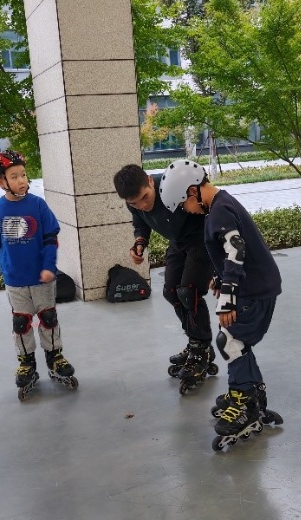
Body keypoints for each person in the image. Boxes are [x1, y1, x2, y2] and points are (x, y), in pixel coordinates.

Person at [159, 159, 284, 451]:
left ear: (192, 192)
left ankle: (244, 403)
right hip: (257, 285)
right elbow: (229, 251)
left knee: (230, 341)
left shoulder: (219, 211)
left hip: (255, 290)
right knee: (235, 342)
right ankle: (250, 393)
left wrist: (228, 297)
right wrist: (219, 277)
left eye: (183, 205)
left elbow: (236, 250)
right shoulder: (221, 205)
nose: (187, 211)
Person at [113, 164, 216, 393]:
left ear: (151, 181)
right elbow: (140, 221)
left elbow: (209, 204)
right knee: (171, 292)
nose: (142, 206)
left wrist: (221, 262)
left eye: (144, 198)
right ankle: (196, 342)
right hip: (178, 242)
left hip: (200, 240)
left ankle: (200, 350)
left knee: (189, 292)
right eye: (134, 203)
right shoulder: (134, 203)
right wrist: (140, 242)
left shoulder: (172, 186)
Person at [0, 150, 77, 401]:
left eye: (24, 175)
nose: (22, 180)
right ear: (1, 182)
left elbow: (50, 239)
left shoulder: (38, 205)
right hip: (14, 279)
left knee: (48, 317)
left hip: (41, 278)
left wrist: (49, 267)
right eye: (14, 176)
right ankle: (26, 362)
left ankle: (55, 356)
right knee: (21, 322)